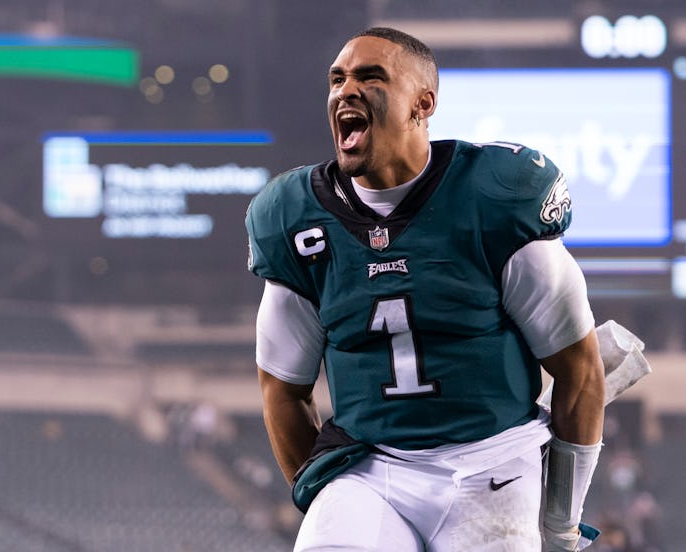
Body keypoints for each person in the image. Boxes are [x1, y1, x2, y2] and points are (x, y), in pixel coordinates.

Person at [246, 26, 606, 551]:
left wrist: (559, 526)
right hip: (371, 467)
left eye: (370, 77)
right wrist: (325, 493)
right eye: (337, 79)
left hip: (494, 465)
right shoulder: (296, 219)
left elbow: (580, 371)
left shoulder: (494, 197)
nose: (346, 90)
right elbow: (282, 388)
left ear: (422, 103)